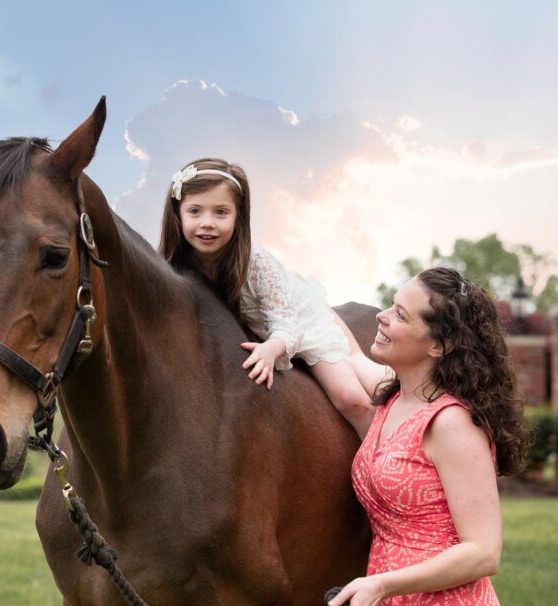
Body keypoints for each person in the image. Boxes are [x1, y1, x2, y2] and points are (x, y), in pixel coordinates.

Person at [327, 267, 528, 606]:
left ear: (440, 344)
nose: (382, 316)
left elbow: (484, 552)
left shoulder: (452, 423)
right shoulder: (395, 398)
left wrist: (380, 585)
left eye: (401, 315)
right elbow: (343, 351)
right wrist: (281, 288)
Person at [158, 158, 387, 437]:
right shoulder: (175, 267)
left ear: (238, 216)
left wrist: (270, 349)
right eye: (195, 211)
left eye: (220, 212)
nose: (207, 223)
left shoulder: (255, 262)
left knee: (352, 398)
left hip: (299, 324)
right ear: (177, 214)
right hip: (267, 327)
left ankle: (384, 465)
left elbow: (287, 325)